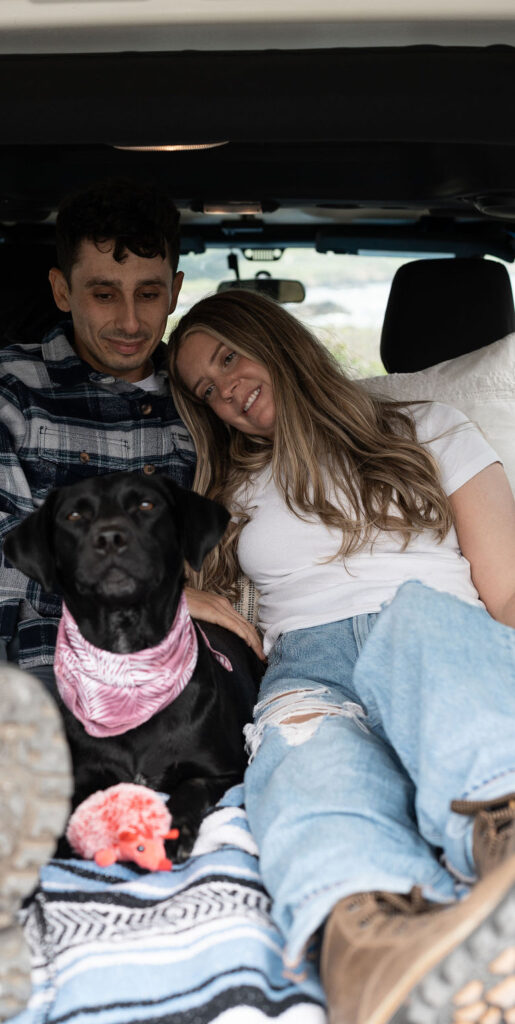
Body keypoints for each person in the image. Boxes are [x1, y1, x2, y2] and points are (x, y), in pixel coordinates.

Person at [0, 181, 263, 1024]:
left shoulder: (200, 408)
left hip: (131, 640)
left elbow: (236, 534)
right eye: (103, 292)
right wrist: (114, 647)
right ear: (63, 290)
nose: (130, 318)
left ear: (175, 288)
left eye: (148, 293)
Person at [168, 287, 515, 1024]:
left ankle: (505, 841)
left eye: (228, 356)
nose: (224, 389)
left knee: (424, 636)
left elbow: (507, 590)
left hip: (435, 631)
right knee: (305, 768)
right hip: (309, 666)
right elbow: (193, 614)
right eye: (206, 389)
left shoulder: (428, 426)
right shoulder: (224, 489)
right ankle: (382, 954)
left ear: (276, 340)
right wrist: (182, 599)